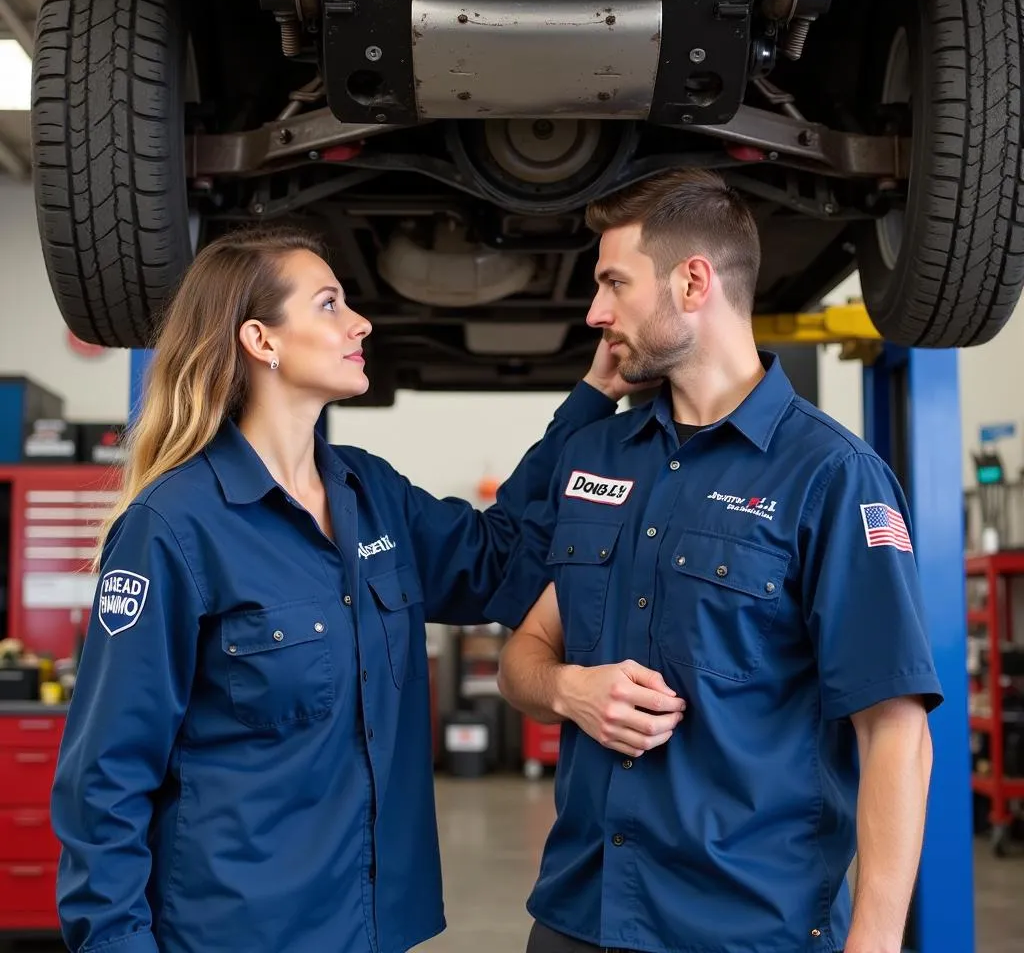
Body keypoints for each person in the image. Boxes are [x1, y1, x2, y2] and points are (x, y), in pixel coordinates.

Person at [50, 225, 629, 953]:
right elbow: (104, 781)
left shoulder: (370, 492)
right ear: (261, 340)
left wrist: (592, 397)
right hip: (236, 933)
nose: (360, 322)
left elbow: (497, 561)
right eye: (329, 304)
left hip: (369, 927)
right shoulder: (172, 527)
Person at [495, 168, 944, 953]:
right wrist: (570, 690)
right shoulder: (602, 455)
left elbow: (895, 730)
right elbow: (522, 659)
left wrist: (872, 944)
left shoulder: (831, 476)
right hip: (579, 915)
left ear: (693, 281)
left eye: (614, 283)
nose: (597, 312)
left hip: (743, 929)